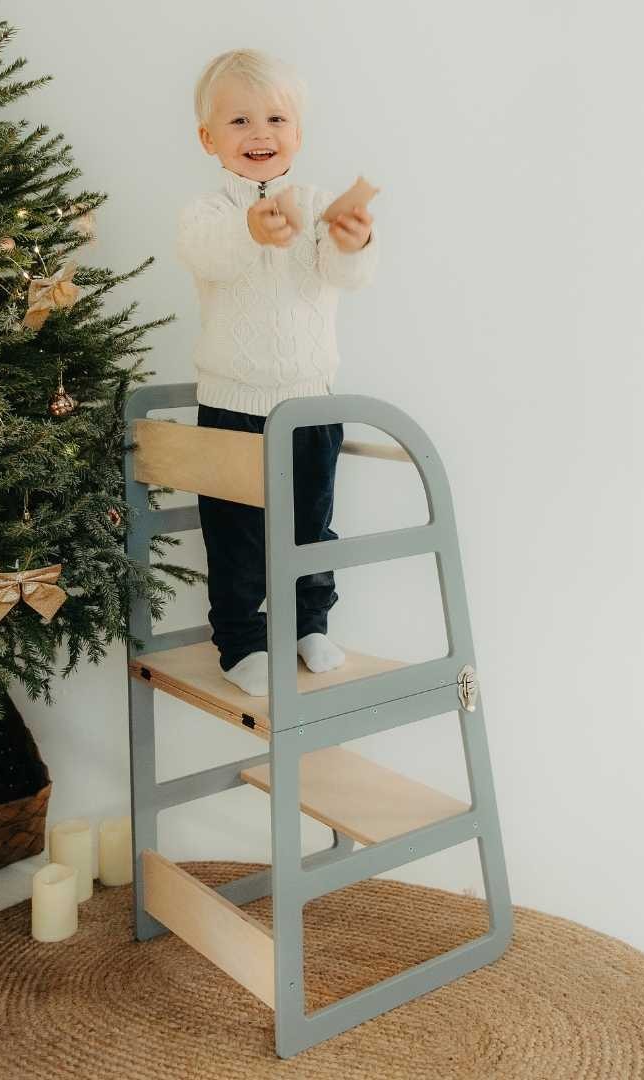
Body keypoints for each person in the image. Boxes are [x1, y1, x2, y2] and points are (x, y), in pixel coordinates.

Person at [176, 48, 378, 697]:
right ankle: (241, 642)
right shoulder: (208, 214)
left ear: (299, 132)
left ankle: (308, 624)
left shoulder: (318, 205)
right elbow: (208, 257)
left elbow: (348, 277)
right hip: (231, 404)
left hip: (310, 403)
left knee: (310, 526)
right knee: (234, 533)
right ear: (209, 139)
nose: (259, 134)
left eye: (274, 119)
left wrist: (352, 242)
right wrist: (250, 232)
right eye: (238, 122)